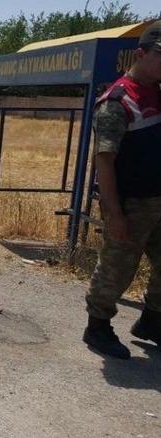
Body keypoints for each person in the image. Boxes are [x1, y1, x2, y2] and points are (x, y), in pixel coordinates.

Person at [83, 21, 161, 359]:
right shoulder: (118, 101)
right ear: (141, 53)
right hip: (131, 202)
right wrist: (114, 213)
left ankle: (152, 322)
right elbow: (104, 161)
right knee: (117, 267)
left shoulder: (158, 93)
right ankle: (97, 326)